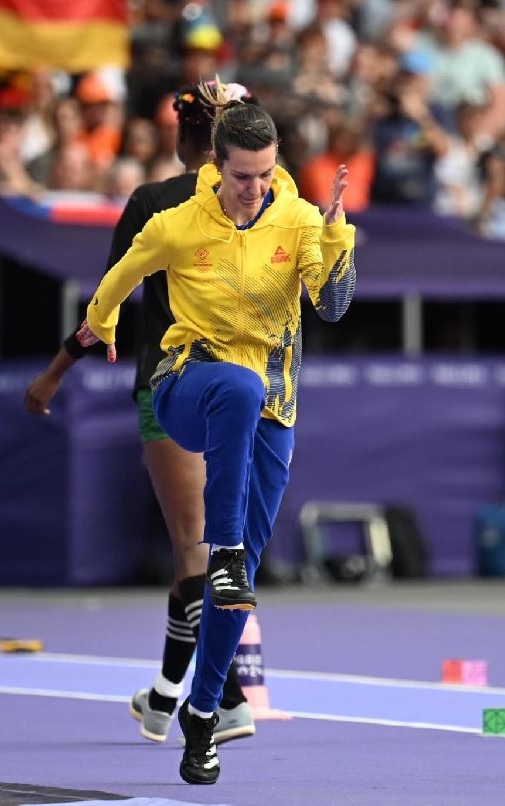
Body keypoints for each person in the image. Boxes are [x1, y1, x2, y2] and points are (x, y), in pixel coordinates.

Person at [76, 82, 355, 785]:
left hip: (272, 410)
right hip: (184, 383)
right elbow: (119, 276)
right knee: (235, 386)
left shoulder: (294, 219)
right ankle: (221, 547)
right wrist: (101, 324)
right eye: (239, 178)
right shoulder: (177, 220)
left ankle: (202, 716)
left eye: (264, 177)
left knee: (239, 587)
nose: (252, 191)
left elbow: (332, 304)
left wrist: (337, 232)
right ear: (215, 166)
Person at [23, 82, 262, 748]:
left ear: (183, 138)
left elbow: (107, 309)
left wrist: (51, 375)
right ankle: (162, 699)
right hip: (254, 390)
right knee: (204, 552)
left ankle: (226, 701)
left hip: (179, 384)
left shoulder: (156, 204)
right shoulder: (271, 202)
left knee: (195, 554)